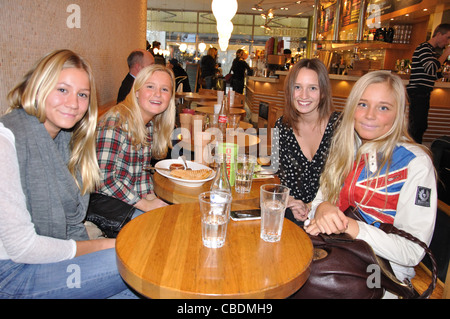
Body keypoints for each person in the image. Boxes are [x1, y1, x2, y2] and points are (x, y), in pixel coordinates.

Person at [0, 49, 138, 298]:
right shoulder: (6, 140)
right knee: (133, 262)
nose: (73, 103)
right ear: (39, 87)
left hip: (46, 257)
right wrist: (105, 244)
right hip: (10, 272)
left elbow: (73, 223)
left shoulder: (68, 141)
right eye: (62, 89)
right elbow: (22, 248)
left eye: (82, 94)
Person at [305, 71, 437, 295]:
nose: (369, 115)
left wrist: (351, 227)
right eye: (363, 104)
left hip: (382, 275)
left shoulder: (416, 163)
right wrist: (323, 208)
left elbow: (413, 252)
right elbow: (317, 202)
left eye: (383, 107)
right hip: (337, 251)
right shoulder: (347, 147)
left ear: (398, 114)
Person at [91, 64, 175, 222]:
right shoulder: (115, 121)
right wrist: (145, 205)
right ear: (137, 92)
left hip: (127, 201)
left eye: (165, 89)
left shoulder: (148, 125)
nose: (157, 94)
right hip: (105, 207)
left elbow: (140, 175)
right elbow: (102, 180)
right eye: (150, 87)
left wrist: (151, 198)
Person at [272, 59, 340, 226]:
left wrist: (313, 206)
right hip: (291, 213)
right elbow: (275, 173)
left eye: (312, 88)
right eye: (297, 87)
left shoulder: (340, 127)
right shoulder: (281, 126)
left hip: (330, 216)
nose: (304, 95)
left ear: (323, 92)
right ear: (290, 91)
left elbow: (348, 181)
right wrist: (289, 200)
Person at [407, 23, 450, 144]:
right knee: (417, 126)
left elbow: (428, 74)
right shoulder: (424, 48)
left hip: (421, 91)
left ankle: (413, 149)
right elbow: (431, 68)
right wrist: (445, 55)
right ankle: (413, 151)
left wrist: (442, 75)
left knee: (419, 125)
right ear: (439, 34)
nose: (447, 42)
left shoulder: (430, 51)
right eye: (447, 37)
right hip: (418, 91)